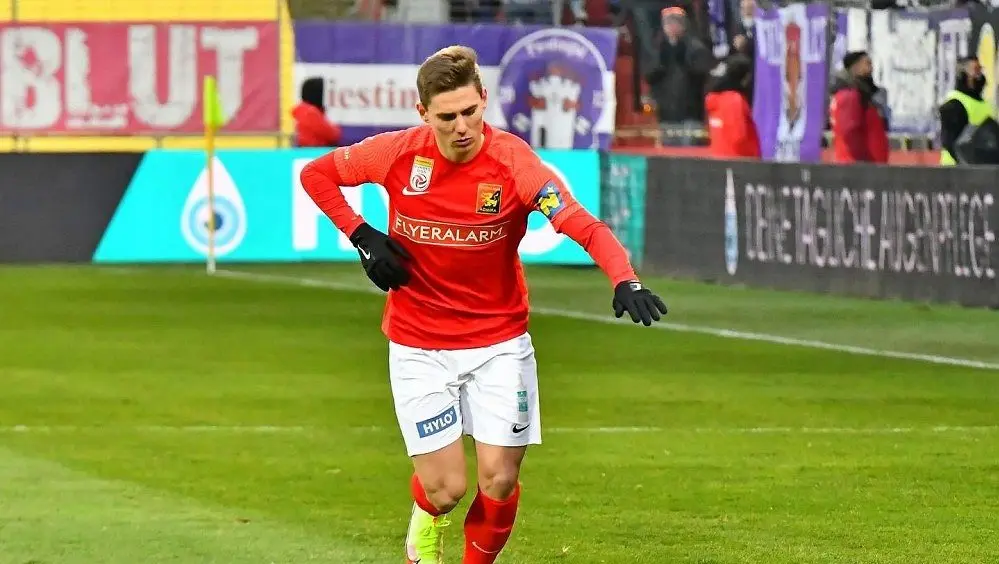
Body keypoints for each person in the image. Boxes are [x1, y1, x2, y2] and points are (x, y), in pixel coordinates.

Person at [299, 45, 667, 564]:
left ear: (484, 100)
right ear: (423, 113)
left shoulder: (515, 164)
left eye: (470, 112)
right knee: (446, 489)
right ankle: (425, 522)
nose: (462, 127)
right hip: (418, 345)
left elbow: (581, 223)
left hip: (499, 344)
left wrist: (624, 279)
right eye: (447, 117)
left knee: (499, 480)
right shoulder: (396, 153)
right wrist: (362, 234)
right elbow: (315, 175)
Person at [828, 51, 889, 164]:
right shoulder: (850, 96)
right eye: (867, 64)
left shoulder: (858, 96)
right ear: (855, 67)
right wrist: (864, 164)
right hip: (859, 167)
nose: (871, 69)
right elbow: (850, 134)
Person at [939, 56, 996, 166]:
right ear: (963, 75)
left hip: (983, 169)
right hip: (955, 170)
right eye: (976, 70)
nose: (980, 75)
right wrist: (967, 167)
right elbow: (949, 142)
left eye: (980, 70)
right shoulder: (954, 104)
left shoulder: (987, 105)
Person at [705, 54, 760, 159]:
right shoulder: (734, 100)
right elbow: (739, 136)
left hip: (717, 157)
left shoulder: (714, 99)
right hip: (739, 160)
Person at [291, 77, 342, 148]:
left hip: (310, 150)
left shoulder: (305, 110)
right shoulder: (310, 112)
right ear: (320, 93)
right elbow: (332, 134)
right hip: (314, 151)